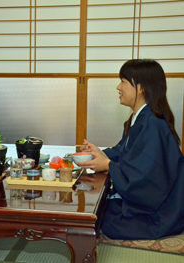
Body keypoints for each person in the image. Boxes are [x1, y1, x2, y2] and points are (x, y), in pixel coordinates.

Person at [77, 59, 184, 240]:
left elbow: (145, 177)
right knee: (97, 209)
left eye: (124, 81)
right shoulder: (140, 119)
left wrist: (109, 165)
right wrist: (100, 155)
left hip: (159, 213)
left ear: (141, 88)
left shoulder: (153, 125)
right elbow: (123, 151)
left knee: (100, 216)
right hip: (149, 203)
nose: (118, 87)